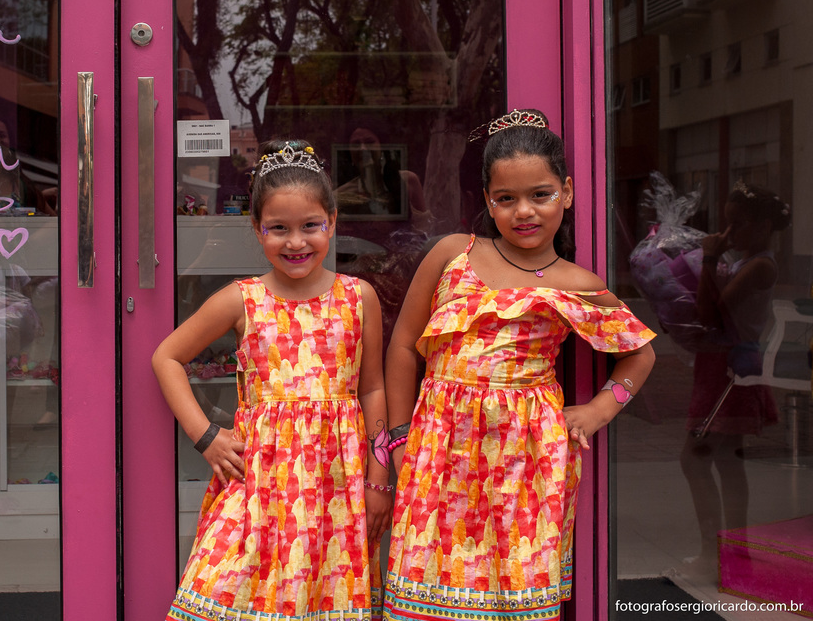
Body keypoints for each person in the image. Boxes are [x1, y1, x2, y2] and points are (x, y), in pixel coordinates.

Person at [382, 110, 657, 621]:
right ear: (488, 201)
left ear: (566, 193)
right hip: (440, 445)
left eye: (541, 195)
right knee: (427, 588)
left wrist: (598, 411)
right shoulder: (453, 253)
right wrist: (399, 437)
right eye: (506, 199)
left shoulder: (579, 283)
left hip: (528, 458)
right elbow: (402, 347)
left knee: (516, 594)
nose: (523, 211)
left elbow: (640, 353)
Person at [154, 139, 391, 621]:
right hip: (259, 482)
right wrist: (206, 436)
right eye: (278, 228)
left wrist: (379, 477)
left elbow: (372, 389)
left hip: (337, 484)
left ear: (332, 223)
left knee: (323, 594)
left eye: (310, 226)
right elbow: (167, 357)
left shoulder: (359, 297)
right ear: (257, 229)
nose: (295, 242)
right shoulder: (241, 299)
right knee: (233, 588)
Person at [681, 182, 785, 574]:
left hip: (731, 369)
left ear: (763, 227)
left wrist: (709, 259)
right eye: (726, 224)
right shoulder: (746, 261)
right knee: (727, 461)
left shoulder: (760, 266)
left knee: (695, 458)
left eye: (737, 224)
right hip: (723, 365)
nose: (728, 234)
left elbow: (714, 313)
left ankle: (715, 553)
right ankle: (734, 555)